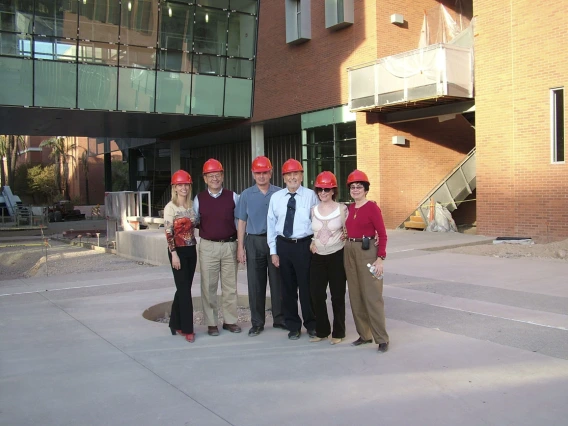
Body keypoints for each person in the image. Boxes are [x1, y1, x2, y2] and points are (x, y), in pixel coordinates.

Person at [267, 158, 318, 340]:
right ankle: (293, 326)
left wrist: (316, 242)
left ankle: (311, 324)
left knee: (306, 287)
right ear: (283, 177)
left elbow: (318, 220)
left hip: (304, 245)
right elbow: (271, 225)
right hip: (283, 246)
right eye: (289, 174)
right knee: (287, 289)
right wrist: (273, 251)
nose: (292, 177)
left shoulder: (311, 195)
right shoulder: (276, 198)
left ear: (302, 175)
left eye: (296, 173)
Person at [236, 156, 286, 336]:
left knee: (277, 282)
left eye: (265, 172)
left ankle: (280, 319)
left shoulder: (280, 193)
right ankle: (257, 322)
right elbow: (242, 221)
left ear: (271, 172)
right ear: (253, 174)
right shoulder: (246, 195)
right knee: (255, 284)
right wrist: (240, 247)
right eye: (258, 173)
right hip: (254, 241)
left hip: (276, 242)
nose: (262, 176)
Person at [343, 170, 389, 353]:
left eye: (359, 187)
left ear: (366, 189)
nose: (355, 190)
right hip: (350, 250)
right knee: (355, 295)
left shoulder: (372, 208)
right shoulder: (349, 209)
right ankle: (364, 334)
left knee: (372, 296)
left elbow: (383, 234)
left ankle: (382, 338)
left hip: (368, 250)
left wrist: (380, 258)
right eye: (353, 187)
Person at [194, 158, 241, 336]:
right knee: (209, 286)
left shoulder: (233, 197)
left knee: (230, 287)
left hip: (230, 245)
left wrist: (239, 246)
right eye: (210, 175)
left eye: (218, 175)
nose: (215, 178)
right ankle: (211, 323)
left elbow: (239, 222)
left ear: (222, 176)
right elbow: (196, 221)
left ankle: (230, 321)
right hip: (208, 247)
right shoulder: (199, 199)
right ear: (205, 178)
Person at [308, 171, 348, 345]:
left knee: (337, 295)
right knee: (316, 294)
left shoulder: (342, 209)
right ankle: (322, 330)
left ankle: (338, 332)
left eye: (326, 189)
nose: (322, 192)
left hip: (337, 255)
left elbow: (351, 229)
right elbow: (312, 232)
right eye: (320, 189)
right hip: (318, 257)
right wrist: (311, 242)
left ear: (333, 190)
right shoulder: (313, 210)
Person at [164, 170, 198, 343]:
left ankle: (174, 322)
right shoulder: (171, 207)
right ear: (175, 187)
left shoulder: (192, 205)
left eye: (186, 184)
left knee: (184, 288)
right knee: (185, 291)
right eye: (180, 185)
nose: (183, 188)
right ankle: (187, 329)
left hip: (191, 250)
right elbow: (168, 232)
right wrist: (174, 254)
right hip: (177, 251)